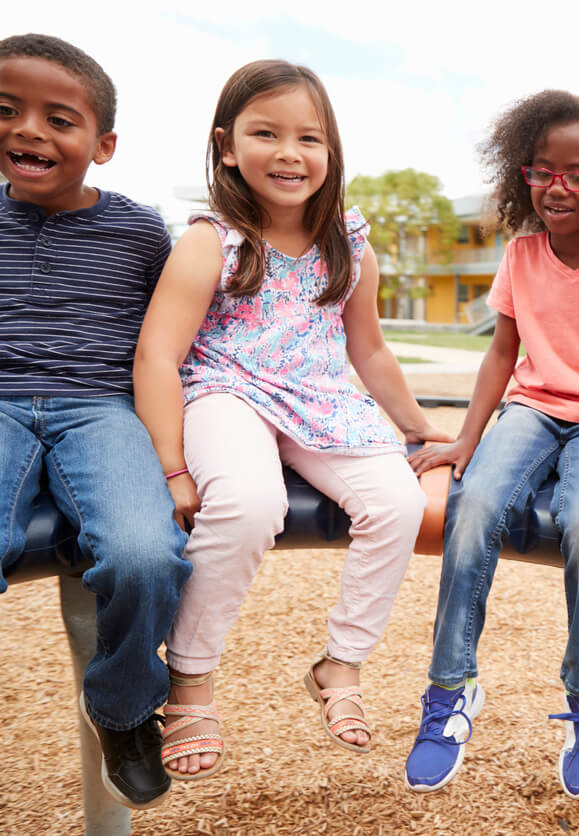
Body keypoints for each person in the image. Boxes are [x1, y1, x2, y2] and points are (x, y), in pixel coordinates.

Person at [133, 59, 450, 780]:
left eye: (309, 138)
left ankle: (340, 663)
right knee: (249, 502)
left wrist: (416, 424)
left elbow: (368, 348)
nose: (289, 153)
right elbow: (157, 354)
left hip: (319, 398)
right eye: (265, 133)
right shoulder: (212, 239)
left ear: (330, 153)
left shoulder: (349, 241)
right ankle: (189, 675)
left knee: (399, 500)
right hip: (227, 391)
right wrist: (172, 466)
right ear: (226, 146)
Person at [403, 89, 579, 801]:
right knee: (474, 505)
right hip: (532, 407)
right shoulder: (522, 254)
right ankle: (450, 690)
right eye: (542, 171)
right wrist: (466, 437)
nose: (558, 186)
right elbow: (501, 354)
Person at [0, 33, 191, 810]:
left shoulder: (141, 231)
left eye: (58, 119)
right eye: (7, 111)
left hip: (100, 408)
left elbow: (172, 337)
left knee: (146, 553)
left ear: (102, 145)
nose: (28, 131)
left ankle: (121, 708)